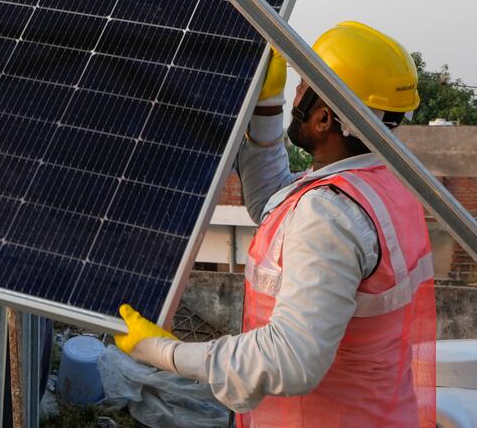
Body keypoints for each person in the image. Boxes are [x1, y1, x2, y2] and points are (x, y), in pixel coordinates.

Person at [115, 21, 437, 426]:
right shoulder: (382, 184)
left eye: (302, 88)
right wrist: (268, 107)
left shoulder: (329, 214)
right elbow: (275, 205)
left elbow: (290, 359)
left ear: (322, 120)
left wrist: (165, 353)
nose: (296, 93)